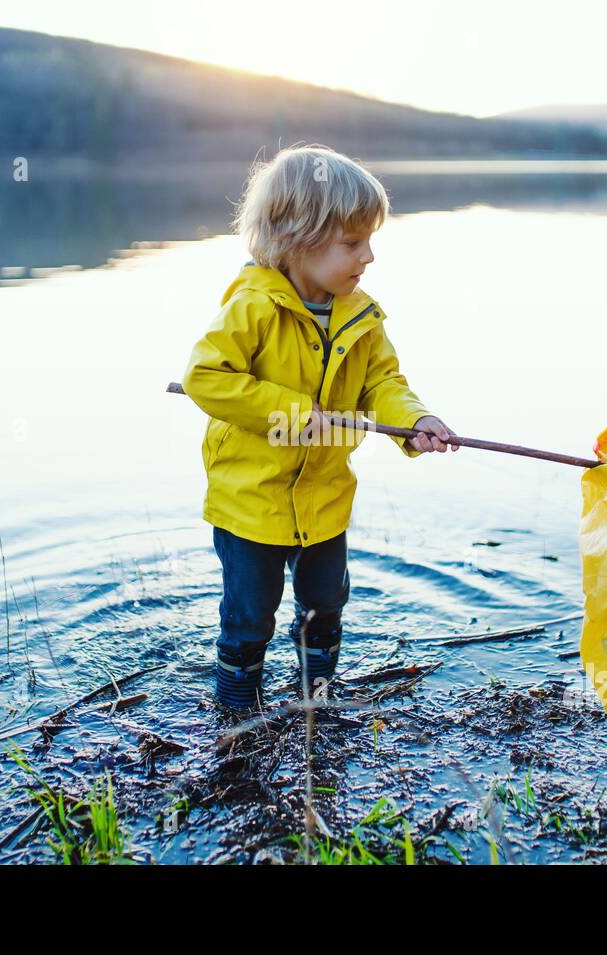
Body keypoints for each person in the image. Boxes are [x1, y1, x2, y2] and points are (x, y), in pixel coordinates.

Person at [181, 144, 458, 714]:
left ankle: (317, 703)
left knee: (326, 605)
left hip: (324, 499)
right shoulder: (253, 306)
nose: (369, 257)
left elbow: (384, 384)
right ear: (297, 240)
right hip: (251, 502)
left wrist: (414, 420)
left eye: (369, 241)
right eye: (353, 243)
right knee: (249, 614)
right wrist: (290, 410)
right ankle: (236, 712)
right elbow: (206, 378)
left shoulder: (361, 315)